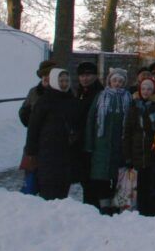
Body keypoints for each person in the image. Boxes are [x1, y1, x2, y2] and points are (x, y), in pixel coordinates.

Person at [25, 67, 84, 200]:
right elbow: (34, 127)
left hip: (67, 152)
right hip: (48, 153)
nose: (64, 84)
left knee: (63, 188)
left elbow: (78, 123)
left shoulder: (72, 100)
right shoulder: (44, 101)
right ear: (54, 81)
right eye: (61, 81)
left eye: (66, 81)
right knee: (48, 189)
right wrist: (31, 151)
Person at [86, 68, 132, 213]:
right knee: (101, 177)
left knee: (118, 176)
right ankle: (104, 205)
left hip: (119, 144)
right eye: (115, 80)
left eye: (121, 81)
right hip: (101, 145)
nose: (117, 84)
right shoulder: (101, 96)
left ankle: (116, 204)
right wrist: (89, 144)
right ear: (109, 81)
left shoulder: (128, 98)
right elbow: (91, 119)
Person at [122, 77, 155, 216]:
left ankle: (154, 213)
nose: (146, 91)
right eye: (143, 89)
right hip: (137, 152)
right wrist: (128, 155)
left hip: (153, 151)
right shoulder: (134, 107)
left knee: (153, 185)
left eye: (149, 89)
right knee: (140, 186)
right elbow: (128, 131)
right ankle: (142, 212)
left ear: (154, 91)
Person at [18, 59, 56, 194]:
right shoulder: (34, 92)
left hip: (52, 143)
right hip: (35, 140)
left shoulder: (60, 93)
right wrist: (30, 118)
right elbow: (23, 112)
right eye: (44, 75)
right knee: (31, 178)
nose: (46, 78)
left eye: (49, 75)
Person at [73, 61, 103, 206]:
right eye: (82, 75)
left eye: (88, 75)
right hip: (81, 143)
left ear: (95, 76)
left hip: (94, 143)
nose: (85, 78)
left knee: (92, 181)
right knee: (85, 179)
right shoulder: (78, 92)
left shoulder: (100, 94)